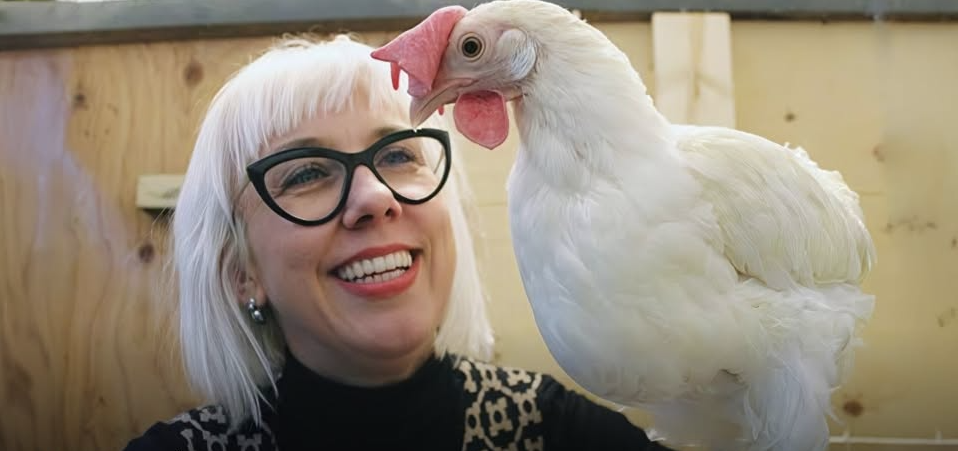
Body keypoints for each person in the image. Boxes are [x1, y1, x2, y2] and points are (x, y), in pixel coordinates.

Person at [122, 33, 675, 451]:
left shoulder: (560, 435)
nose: (374, 197)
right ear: (242, 272)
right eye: (307, 173)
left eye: (397, 155)